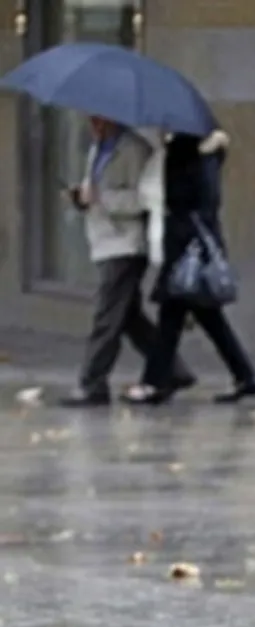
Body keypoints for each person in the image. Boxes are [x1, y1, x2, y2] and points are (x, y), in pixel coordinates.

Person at [60, 116, 196, 408]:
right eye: (90, 120)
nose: (94, 126)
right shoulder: (98, 148)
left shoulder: (134, 150)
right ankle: (173, 369)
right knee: (129, 317)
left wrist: (102, 199)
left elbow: (143, 199)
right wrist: (82, 198)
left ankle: (92, 383)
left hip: (126, 244)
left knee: (107, 316)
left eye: (99, 120)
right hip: (103, 240)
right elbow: (94, 188)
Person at [121, 130, 255, 405]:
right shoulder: (204, 157)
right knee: (208, 320)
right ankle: (245, 376)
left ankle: (154, 383)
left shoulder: (186, 157)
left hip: (186, 250)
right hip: (192, 248)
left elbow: (186, 201)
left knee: (171, 319)